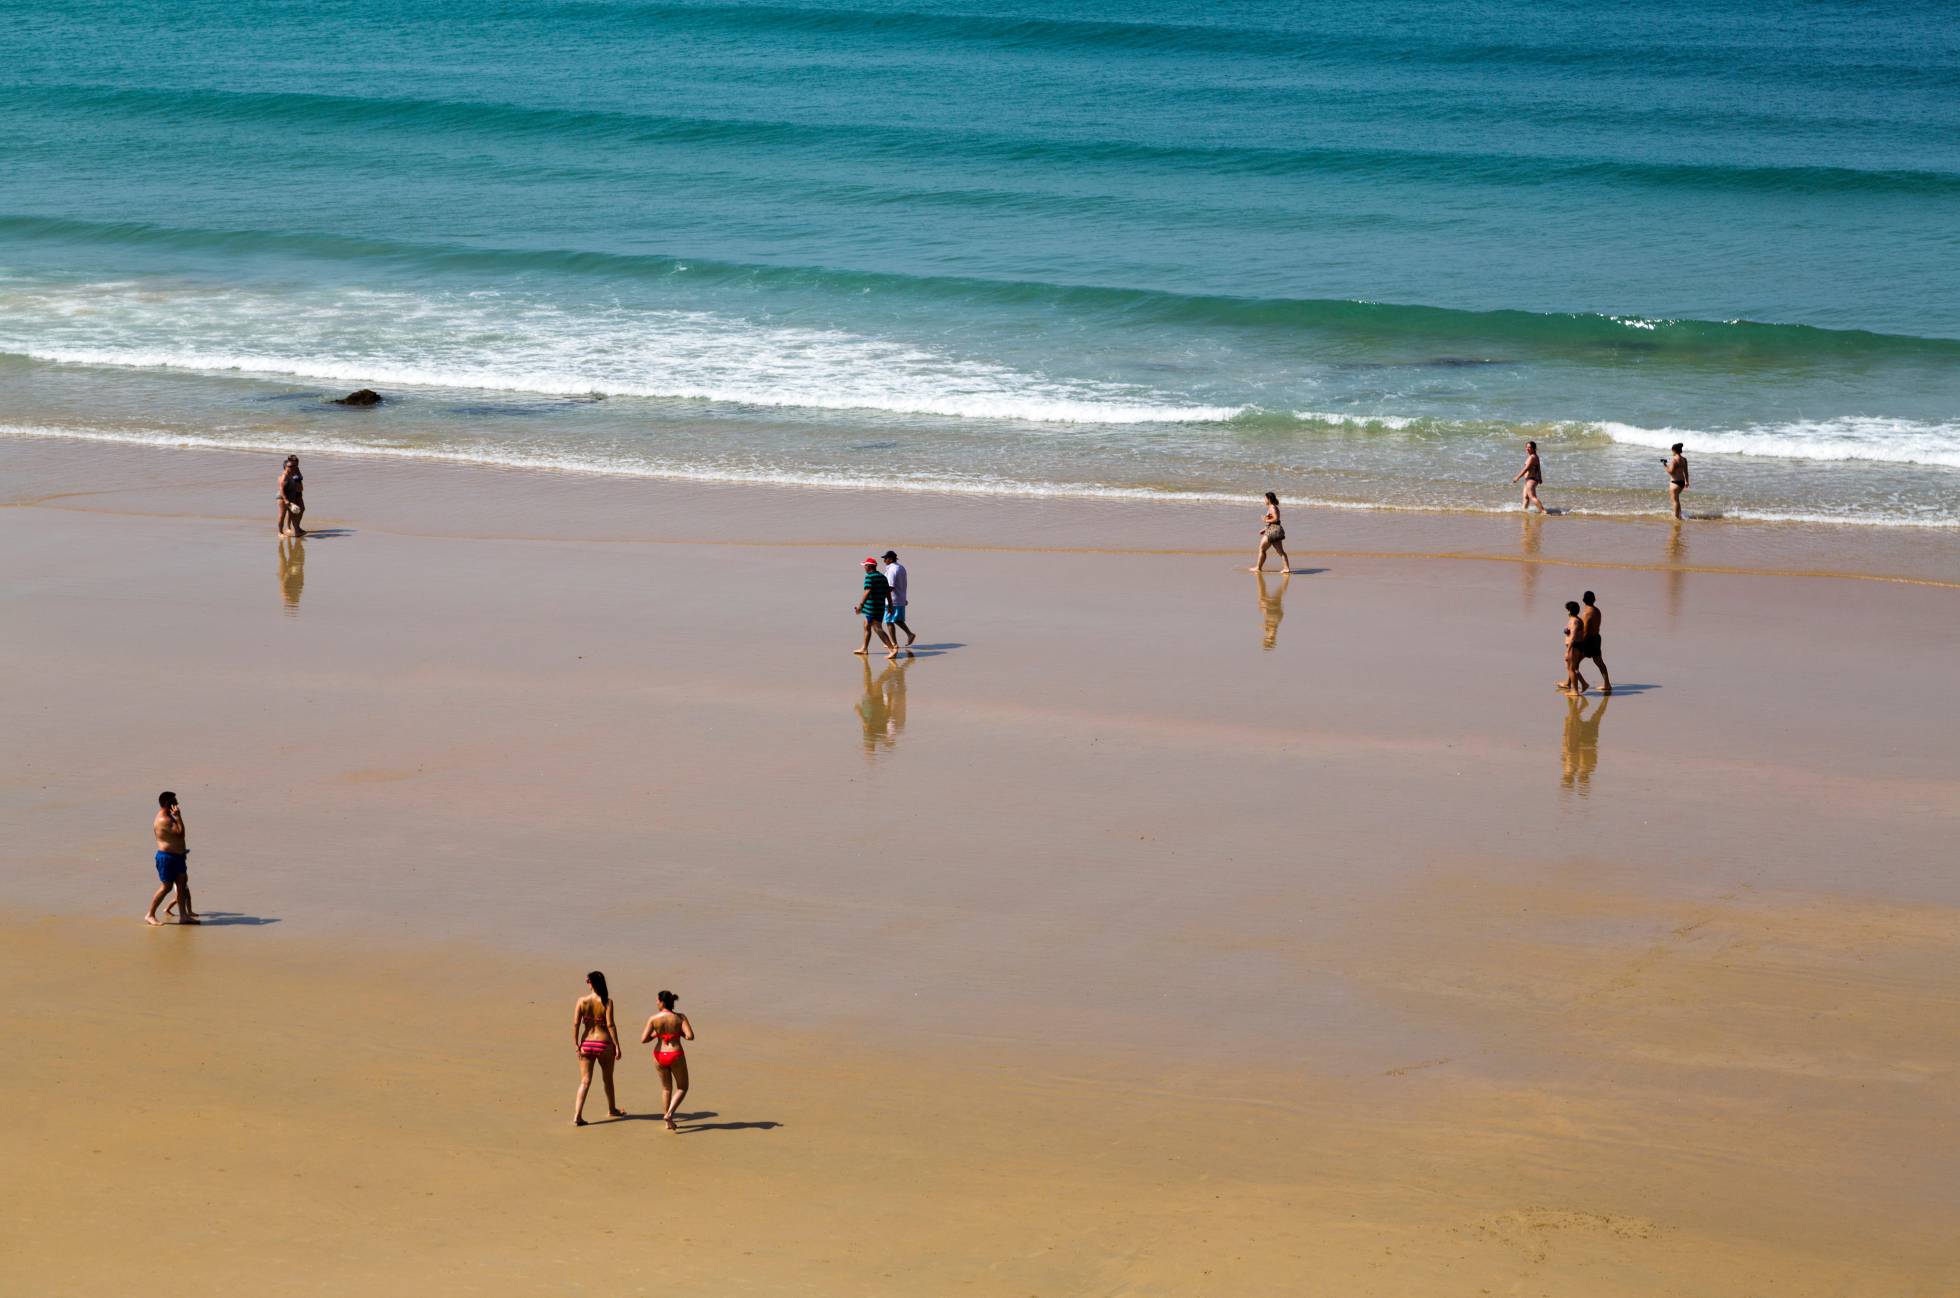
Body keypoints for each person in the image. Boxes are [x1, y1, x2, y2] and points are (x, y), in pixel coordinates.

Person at [572, 971, 625, 1126]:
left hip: (586, 1043)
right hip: (604, 1043)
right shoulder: (607, 1002)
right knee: (607, 1079)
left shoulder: (582, 1001)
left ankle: (577, 1115)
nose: (586, 983)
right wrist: (617, 1045)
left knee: (585, 1081)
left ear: (592, 983)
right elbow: (610, 1025)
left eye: (587, 980)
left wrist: (576, 1043)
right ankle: (612, 1109)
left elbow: (575, 1023)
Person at [640, 989, 695, 1131]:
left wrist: (656, 1034)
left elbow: (643, 1040)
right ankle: (669, 1114)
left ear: (662, 1002)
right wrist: (679, 1033)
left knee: (666, 1088)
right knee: (683, 1087)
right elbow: (690, 1036)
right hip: (675, 1054)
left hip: (659, 1055)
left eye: (657, 1000)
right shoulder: (680, 1017)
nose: (656, 1002)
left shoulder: (653, 1018)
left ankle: (668, 1122)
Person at [144, 792, 197, 926]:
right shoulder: (164, 819)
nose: (177, 803)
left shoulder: (168, 816)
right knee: (166, 887)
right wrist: (179, 817)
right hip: (167, 858)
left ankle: (183, 916)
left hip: (178, 857)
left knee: (181, 885)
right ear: (168, 803)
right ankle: (150, 914)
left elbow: (175, 839)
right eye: (175, 801)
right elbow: (180, 834)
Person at [853, 556, 894, 657]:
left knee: (877, 628)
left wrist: (860, 606)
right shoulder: (882, 577)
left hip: (872, 608)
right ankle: (864, 648)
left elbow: (867, 591)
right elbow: (888, 592)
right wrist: (890, 606)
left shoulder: (869, 577)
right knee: (866, 624)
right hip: (880, 607)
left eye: (865, 566)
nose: (864, 568)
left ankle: (892, 650)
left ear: (869, 566)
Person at [880, 550, 916, 655]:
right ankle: (909, 634)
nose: (884, 561)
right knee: (896, 619)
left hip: (892, 600)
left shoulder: (892, 570)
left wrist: (881, 596)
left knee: (889, 621)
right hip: (900, 598)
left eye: (885, 559)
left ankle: (894, 643)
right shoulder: (901, 568)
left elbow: (890, 586)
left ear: (890, 559)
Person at [1250, 491, 1292, 573]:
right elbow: (1274, 522)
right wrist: (1265, 529)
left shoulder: (1272, 507)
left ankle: (1258, 568)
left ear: (1268, 499)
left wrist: (1265, 519)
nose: (1264, 500)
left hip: (1273, 530)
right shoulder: (1272, 507)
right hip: (1275, 529)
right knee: (1280, 551)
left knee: (1262, 549)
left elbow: (1276, 519)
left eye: (1265, 498)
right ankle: (1286, 568)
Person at [1578, 590, 1612, 694]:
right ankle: (1607, 684)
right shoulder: (1597, 610)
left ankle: (1572, 683)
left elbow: (1586, 630)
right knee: (1599, 662)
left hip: (1588, 640)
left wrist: (1579, 641)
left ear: (1583, 600)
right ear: (1594, 599)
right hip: (1597, 638)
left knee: (1574, 662)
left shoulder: (1586, 612)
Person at [1559, 600, 1590, 695]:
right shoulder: (1576, 619)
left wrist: (1568, 651)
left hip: (1574, 647)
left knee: (1571, 669)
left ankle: (1575, 691)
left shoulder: (1574, 621)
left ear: (1569, 610)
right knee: (1572, 668)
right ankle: (1583, 684)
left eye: (1567, 610)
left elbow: (1572, 636)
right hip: (1575, 646)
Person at [1513, 441, 1547, 514]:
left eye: (1529, 447)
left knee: (1532, 496)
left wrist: (1517, 477)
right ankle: (1524, 511)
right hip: (1529, 479)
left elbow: (1526, 469)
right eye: (1527, 447)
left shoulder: (1532, 457)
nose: (1527, 449)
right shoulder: (1535, 456)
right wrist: (1540, 478)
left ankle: (1543, 511)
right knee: (1526, 497)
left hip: (1531, 479)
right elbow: (1538, 468)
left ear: (1533, 448)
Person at [277, 456, 306, 537]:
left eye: (293, 466)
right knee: (282, 515)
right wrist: (286, 500)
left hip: (291, 496)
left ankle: (297, 531)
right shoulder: (284, 476)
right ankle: (280, 533)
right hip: (283, 498)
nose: (292, 467)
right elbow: (281, 489)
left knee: (293, 515)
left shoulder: (291, 474)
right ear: (285, 467)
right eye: (290, 466)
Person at [1665, 443, 1690, 520]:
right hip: (1682, 482)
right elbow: (1686, 472)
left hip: (1675, 483)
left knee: (1675, 501)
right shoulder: (1684, 459)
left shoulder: (1674, 459)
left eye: (1672, 451)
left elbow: (1671, 471)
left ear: (1674, 450)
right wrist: (1687, 481)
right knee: (1677, 500)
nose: (1672, 452)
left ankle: (1676, 517)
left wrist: (1665, 465)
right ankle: (1680, 515)